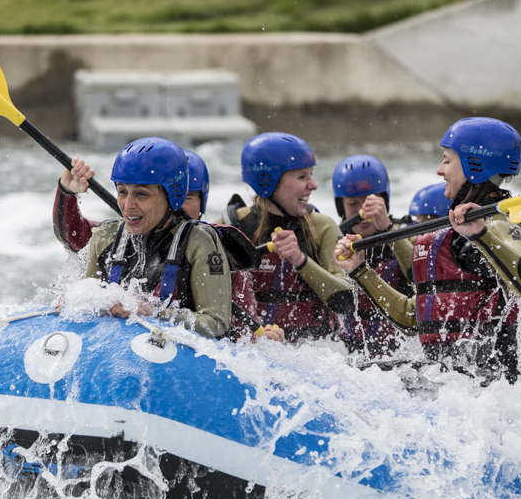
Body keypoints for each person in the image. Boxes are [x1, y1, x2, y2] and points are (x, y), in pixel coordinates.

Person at [334, 117, 521, 382]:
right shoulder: (452, 234)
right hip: (460, 386)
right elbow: (410, 318)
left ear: (475, 166)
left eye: (447, 160)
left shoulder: (502, 223)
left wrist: (481, 234)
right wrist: (359, 270)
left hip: (501, 387)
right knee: (358, 373)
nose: (440, 170)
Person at [60, 137, 231, 338]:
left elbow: (217, 324)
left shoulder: (199, 242)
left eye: (141, 194)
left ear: (171, 197)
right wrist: (73, 304)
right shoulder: (106, 238)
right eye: (122, 192)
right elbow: (70, 240)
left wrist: (152, 312)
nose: (127, 205)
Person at [222, 132, 353, 342]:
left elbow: (345, 301)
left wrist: (301, 260)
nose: (313, 185)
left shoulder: (323, 227)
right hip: (249, 352)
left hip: (315, 355)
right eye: (302, 177)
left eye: (311, 174)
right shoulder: (231, 226)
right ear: (269, 182)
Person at [331, 154, 415, 357]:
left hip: (398, 355)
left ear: (384, 201)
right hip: (348, 355)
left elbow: (420, 276)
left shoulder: (407, 235)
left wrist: (387, 227)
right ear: (340, 207)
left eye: (370, 203)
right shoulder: (334, 242)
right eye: (352, 203)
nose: (362, 212)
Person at [54, 148, 211, 253]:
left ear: (202, 203)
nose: (176, 205)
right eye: (123, 192)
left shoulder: (213, 247)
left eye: (186, 197)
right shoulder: (121, 239)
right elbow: (75, 237)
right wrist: (67, 192)